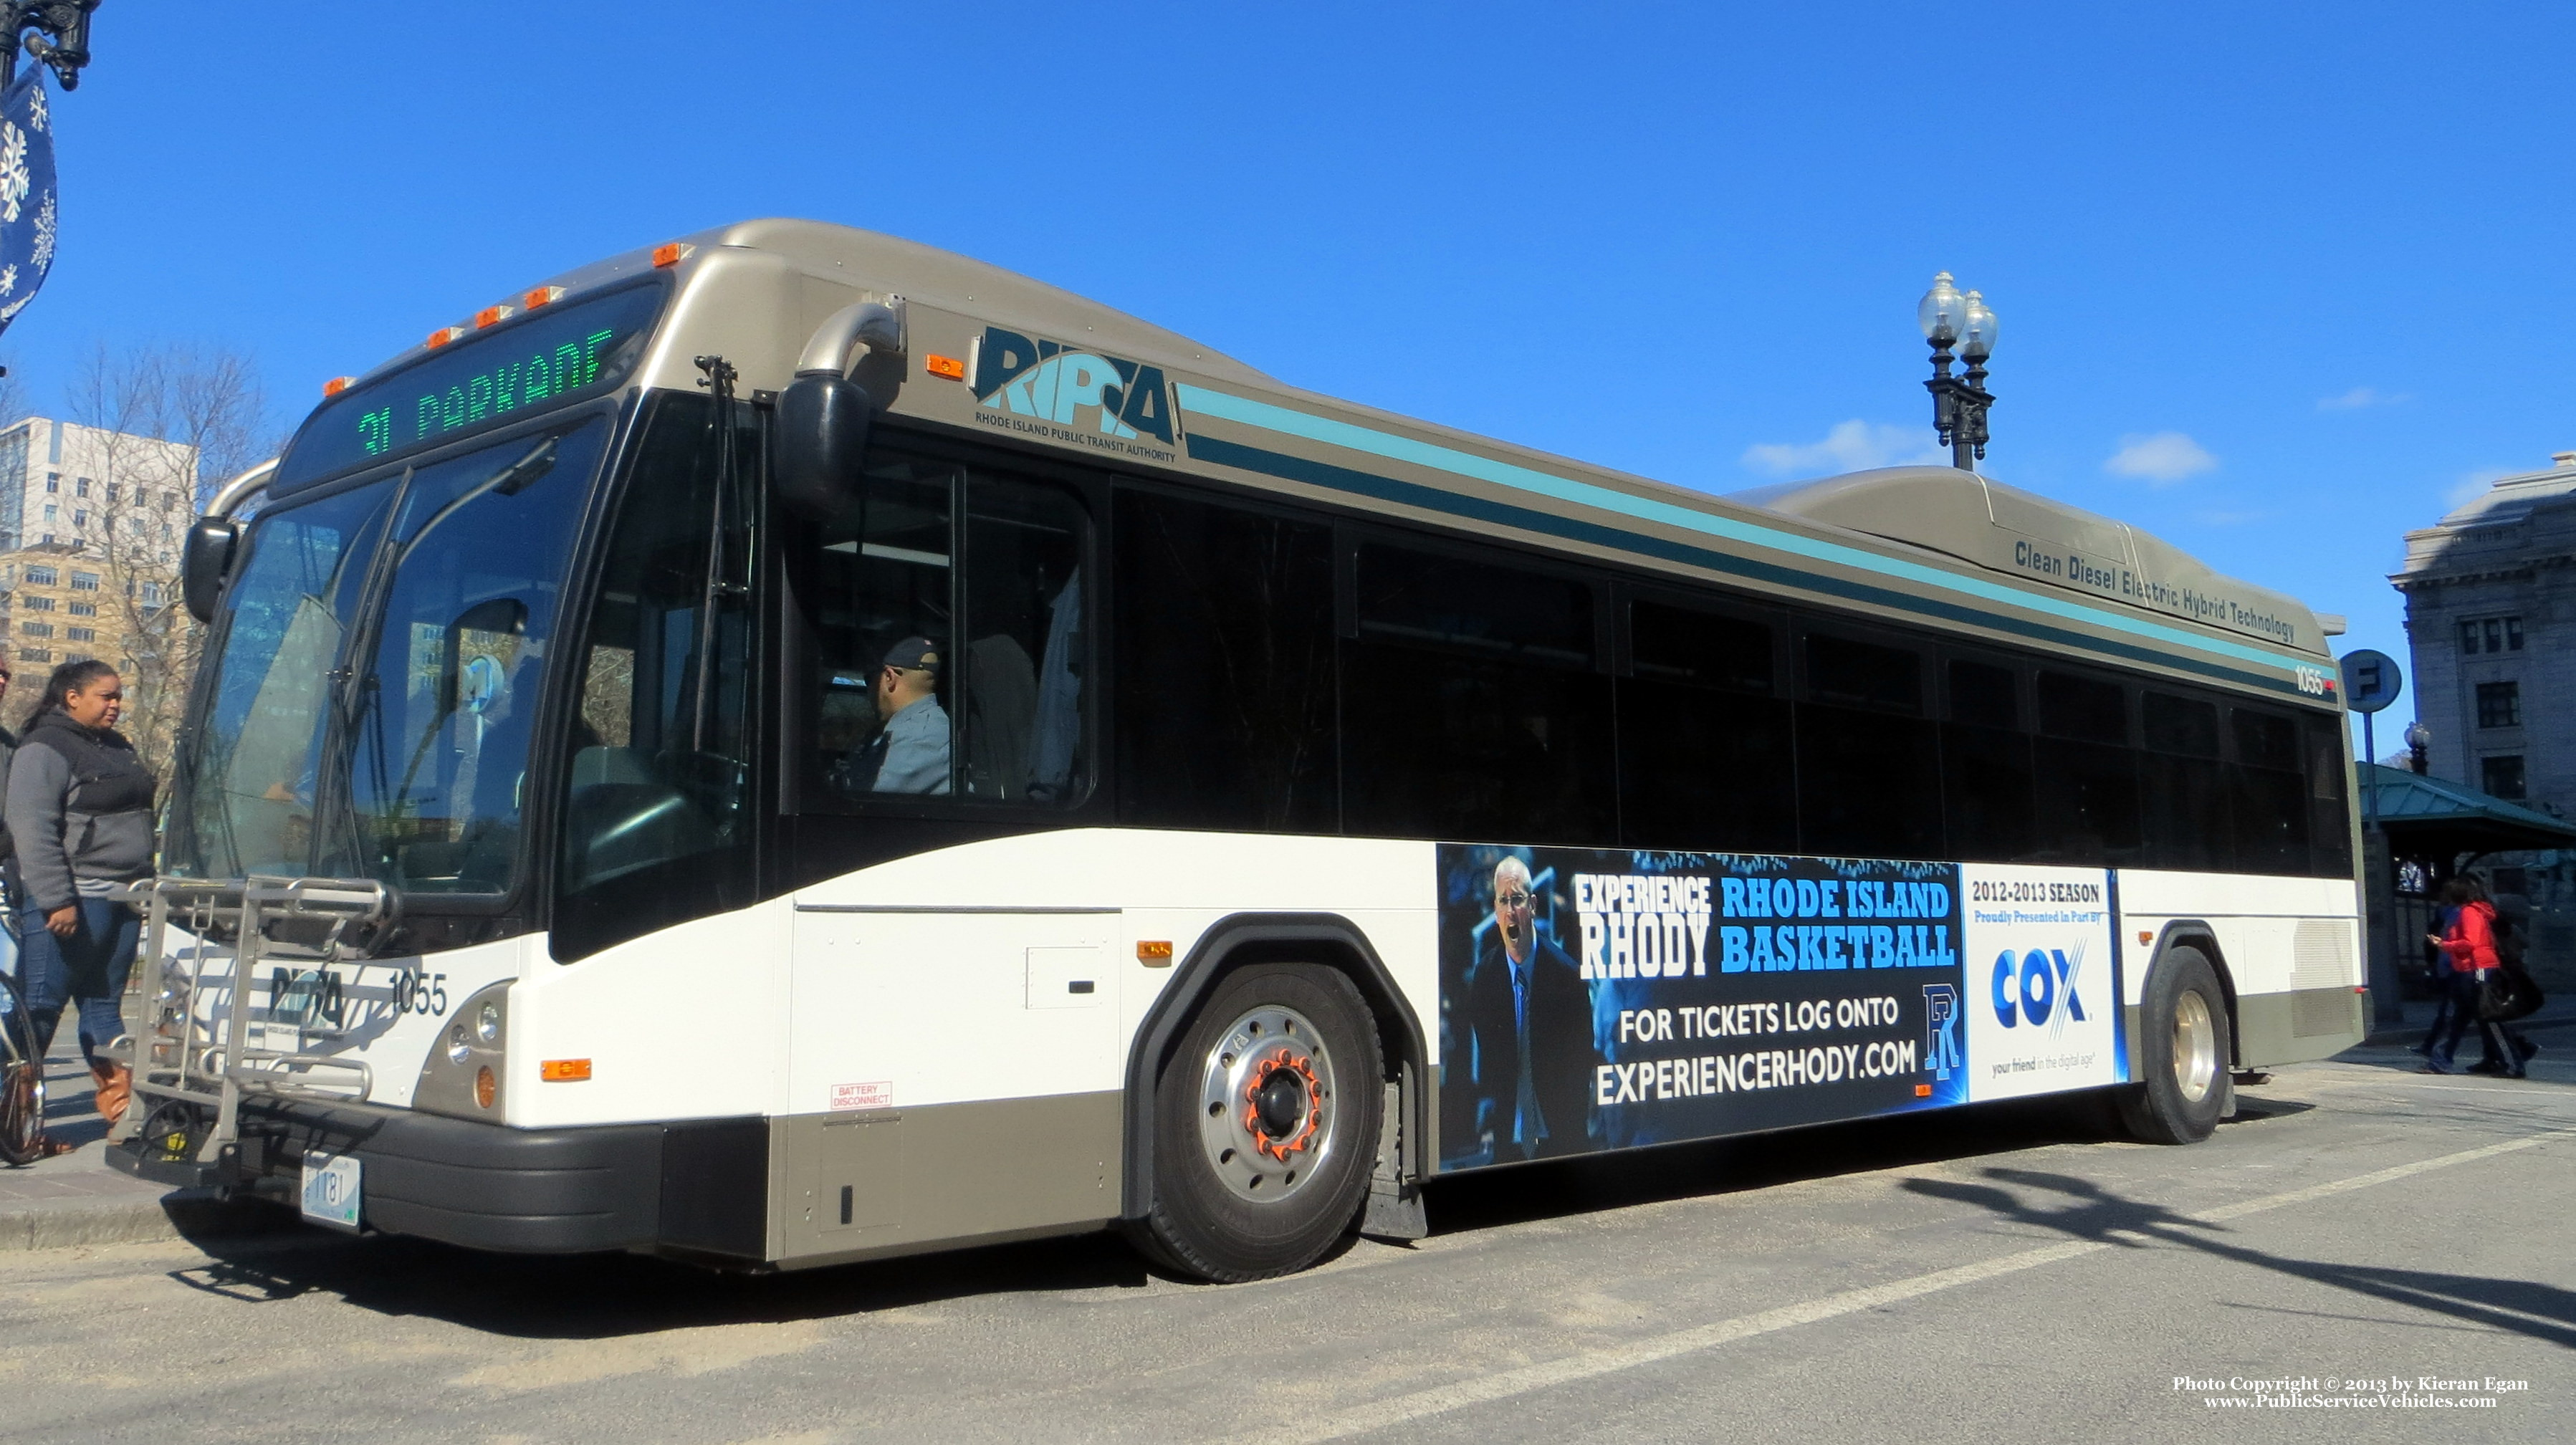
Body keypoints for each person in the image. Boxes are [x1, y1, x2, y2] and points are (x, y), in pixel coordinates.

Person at [4, 661, 155, 1137]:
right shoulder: (44, 748)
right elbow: (32, 829)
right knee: (39, 1008)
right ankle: (12, 1124)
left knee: (104, 1006)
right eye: (105, 696)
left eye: (118, 696)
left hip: (123, 898)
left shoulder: (118, 747)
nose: (116, 705)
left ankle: (125, 1114)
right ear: (72, 696)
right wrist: (54, 899)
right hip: (73, 899)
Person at [1457, 855, 1599, 1160]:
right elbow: (1491, 1058)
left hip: (1561, 1136)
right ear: (1495, 910)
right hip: (1510, 1137)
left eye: (1518, 900)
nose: (1511, 911)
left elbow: (1580, 1058)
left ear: (1533, 906)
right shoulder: (1486, 975)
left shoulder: (1567, 975)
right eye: (1503, 901)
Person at [2423, 875, 2519, 1078]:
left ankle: (2513, 1063)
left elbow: (2470, 943)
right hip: (2470, 968)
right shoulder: (2474, 911)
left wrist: (2443, 945)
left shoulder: (2469, 912)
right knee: (2459, 1017)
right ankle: (2440, 1061)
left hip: (2476, 968)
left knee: (2485, 1018)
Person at [858, 637, 951, 796]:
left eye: (868, 679)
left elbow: (866, 800)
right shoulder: (906, 729)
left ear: (889, 678)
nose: (869, 691)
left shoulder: (920, 737)